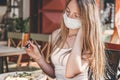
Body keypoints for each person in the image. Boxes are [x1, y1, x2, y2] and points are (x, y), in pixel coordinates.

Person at [25, 0, 106, 80]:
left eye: (76, 15)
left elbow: (70, 73)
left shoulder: (89, 41)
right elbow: (55, 73)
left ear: (87, 20)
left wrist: (81, 34)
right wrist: (38, 58)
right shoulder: (57, 35)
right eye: (68, 11)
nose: (69, 17)